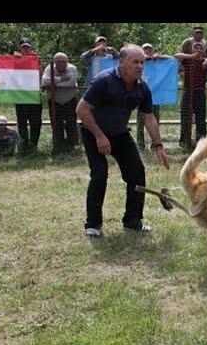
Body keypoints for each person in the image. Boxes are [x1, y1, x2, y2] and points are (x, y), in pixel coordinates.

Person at [75, 44, 170, 238]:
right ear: (121, 62)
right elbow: (81, 110)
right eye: (134, 62)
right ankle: (93, 225)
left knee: (137, 172)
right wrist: (100, 136)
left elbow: (149, 117)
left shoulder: (142, 87)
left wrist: (158, 145)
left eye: (142, 62)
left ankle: (133, 221)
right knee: (99, 175)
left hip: (119, 134)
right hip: (94, 132)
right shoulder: (104, 81)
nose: (139, 66)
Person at [41, 52, 79, 154]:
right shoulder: (49, 69)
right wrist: (61, 78)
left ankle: (71, 147)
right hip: (54, 102)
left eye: (64, 61)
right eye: (59, 61)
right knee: (56, 124)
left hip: (70, 100)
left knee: (71, 124)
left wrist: (53, 85)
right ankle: (58, 147)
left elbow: (70, 83)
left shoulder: (73, 68)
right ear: (54, 62)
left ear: (67, 62)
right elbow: (44, 82)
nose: (62, 63)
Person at [135, 43, 170, 149]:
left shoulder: (157, 61)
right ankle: (140, 144)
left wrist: (158, 56)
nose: (147, 51)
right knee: (140, 122)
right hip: (141, 95)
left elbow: (172, 59)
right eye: (145, 49)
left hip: (155, 96)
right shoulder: (138, 62)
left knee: (155, 120)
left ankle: (155, 144)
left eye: (149, 50)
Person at [175, 41, 207, 148]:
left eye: (200, 48)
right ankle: (184, 142)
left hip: (200, 92)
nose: (198, 50)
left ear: (203, 51)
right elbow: (177, 56)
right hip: (187, 92)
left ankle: (201, 142)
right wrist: (191, 56)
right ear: (191, 50)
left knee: (201, 118)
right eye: (195, 47)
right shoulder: (186, 60)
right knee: (185, 117)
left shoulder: (205, 61)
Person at [14, 38, 43, 156]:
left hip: (34, 95)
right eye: (23, 47)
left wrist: (38, 66)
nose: (26, 49)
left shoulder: (36, 59)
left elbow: (41, 74)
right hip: (19, 96)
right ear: (20, 48)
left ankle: (33, 145)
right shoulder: (14, 60)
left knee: (36, 122)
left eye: (27, 47)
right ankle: (23, 145)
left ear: (30, 47)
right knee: (22, 122)